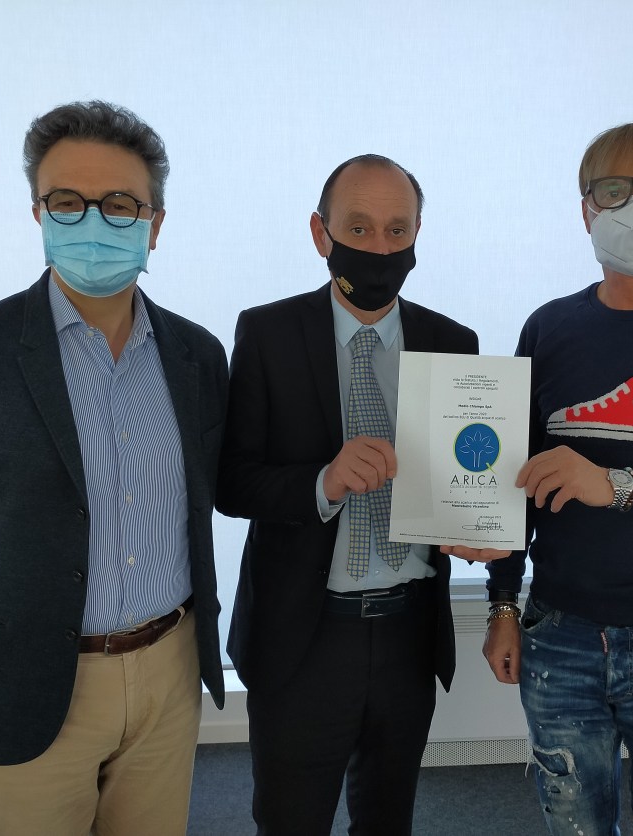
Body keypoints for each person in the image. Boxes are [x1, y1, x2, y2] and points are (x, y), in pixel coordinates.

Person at [216, 154, 510, 835]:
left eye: (397, 230)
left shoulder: (452, 342)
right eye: (358, 227)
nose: (379, 247)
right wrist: (322, 481)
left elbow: (476, 472)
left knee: (387, 820)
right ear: (320, 233)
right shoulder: (268, 333)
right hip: (304, 635)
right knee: (290, 822)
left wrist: (478, 529)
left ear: (417, 235)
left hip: (409, 633)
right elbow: (231, 482)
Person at [0, 101, 228, 836]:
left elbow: (216, 490)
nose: (93, 221)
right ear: (39, 213)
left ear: (154, 224)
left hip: (169, 669)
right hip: (29, 678)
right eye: (69, 201)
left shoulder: (198, 355)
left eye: (120, 204)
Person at [483, 122, 633, 835]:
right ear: (585, 208)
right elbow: (515, 483)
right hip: (561, 633)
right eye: (614, 189)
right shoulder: (549, 328)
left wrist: (617, 486)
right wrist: (502, 604)